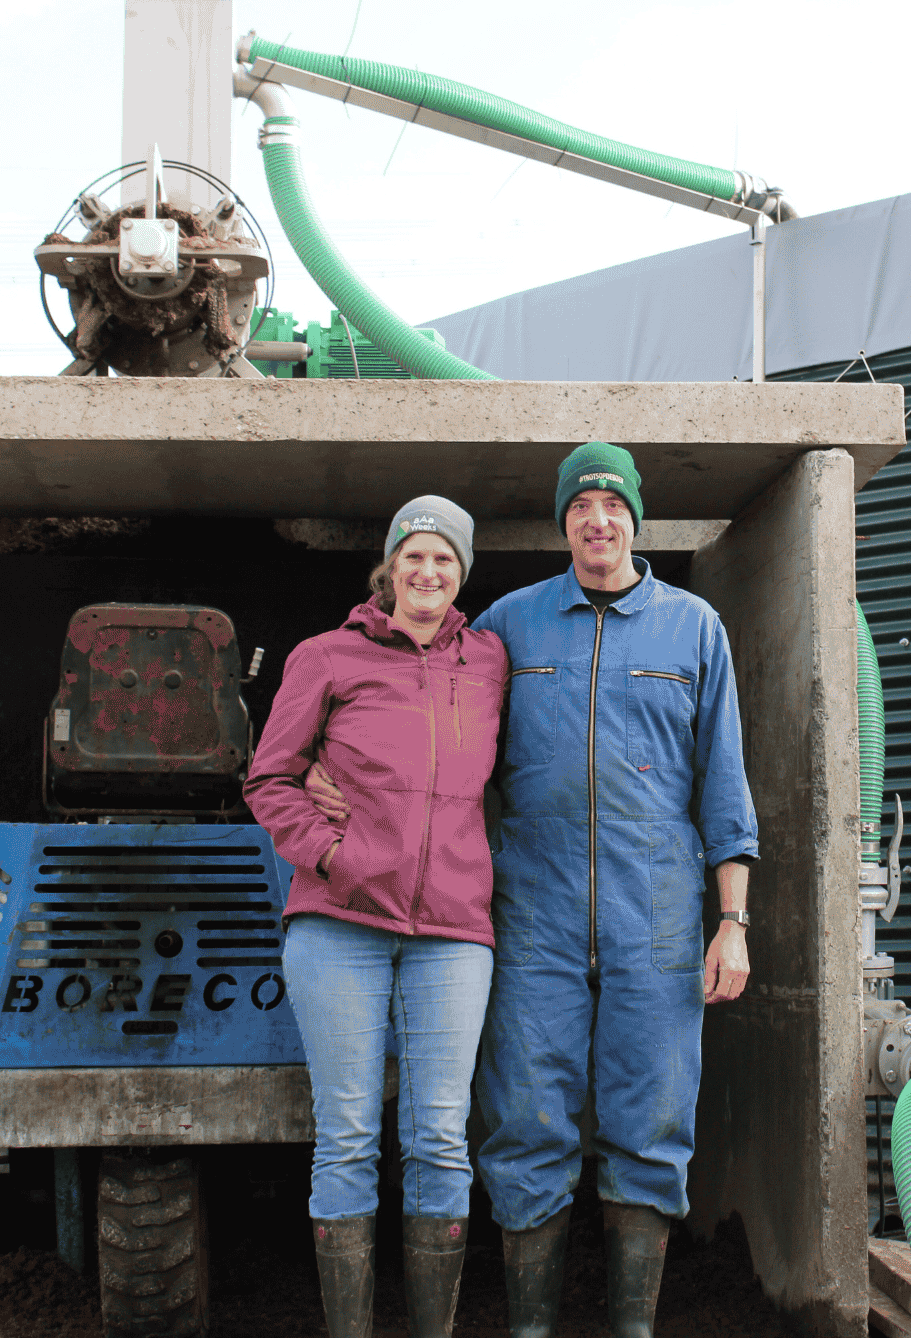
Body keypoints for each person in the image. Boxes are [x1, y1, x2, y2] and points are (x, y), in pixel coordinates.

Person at [308, 443, 758, 1338]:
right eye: (582, 504)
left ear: (637, 518)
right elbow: (422, 705)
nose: (599, 519)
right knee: (522, 1120)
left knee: (653, 1116)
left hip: (659, 917)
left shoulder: (695, 626)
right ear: (563, 522)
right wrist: (335, 769)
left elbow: (725, 787)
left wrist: (733, 918)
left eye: (614, 504)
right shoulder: (508, 627)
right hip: (529, 912)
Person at [244, 495, 507, 1338]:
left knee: (439, 1135)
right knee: (349, 1132)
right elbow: (270, 779)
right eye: (414, 556)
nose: (428, 572)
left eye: (445, 559)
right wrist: (330, 855)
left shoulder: (492, 660)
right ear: (389, 567)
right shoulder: (326, 656)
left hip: (453, 931)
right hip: (340, 924)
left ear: (462, 575)